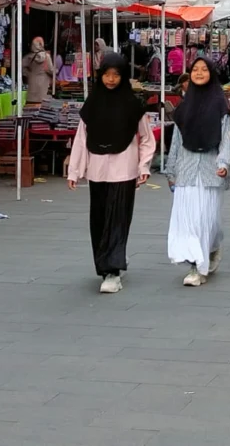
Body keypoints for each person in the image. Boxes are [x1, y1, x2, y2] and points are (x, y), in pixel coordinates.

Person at [68, 53, 157, 294]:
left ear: (123, 76)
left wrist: (143, 166)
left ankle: (113, 270)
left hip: (124, 171)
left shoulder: (132, 105)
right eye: (107, 74)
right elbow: (81, 139)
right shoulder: (92, 104)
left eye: (116, 75)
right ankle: (104, 266)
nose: (110, 79)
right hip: (97, 171)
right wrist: (74, 171)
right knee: (98, 222)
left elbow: (147, 139)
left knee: (117, 221)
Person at [165, 58, 230, 287]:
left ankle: (212, 248)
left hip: (210, 169)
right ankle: (197, 267)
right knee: (189, 221)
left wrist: (224, 162)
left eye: (204, 69)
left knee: (207, 220)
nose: (199, 72)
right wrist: (171, 169)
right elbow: (176, 139)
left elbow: (225, 135)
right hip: (186, 169)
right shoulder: (185, 107)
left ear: (212, 73)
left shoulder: (219, 103)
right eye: (195, 69)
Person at [22, 36, 54, 105]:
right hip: (43, 85)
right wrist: (56, 71)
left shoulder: (28, 57)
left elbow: (21, 67)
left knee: (30, 107)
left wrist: (29, 74)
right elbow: (50, 70)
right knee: (41, 106)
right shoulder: (46, 56)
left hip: (32, 84)